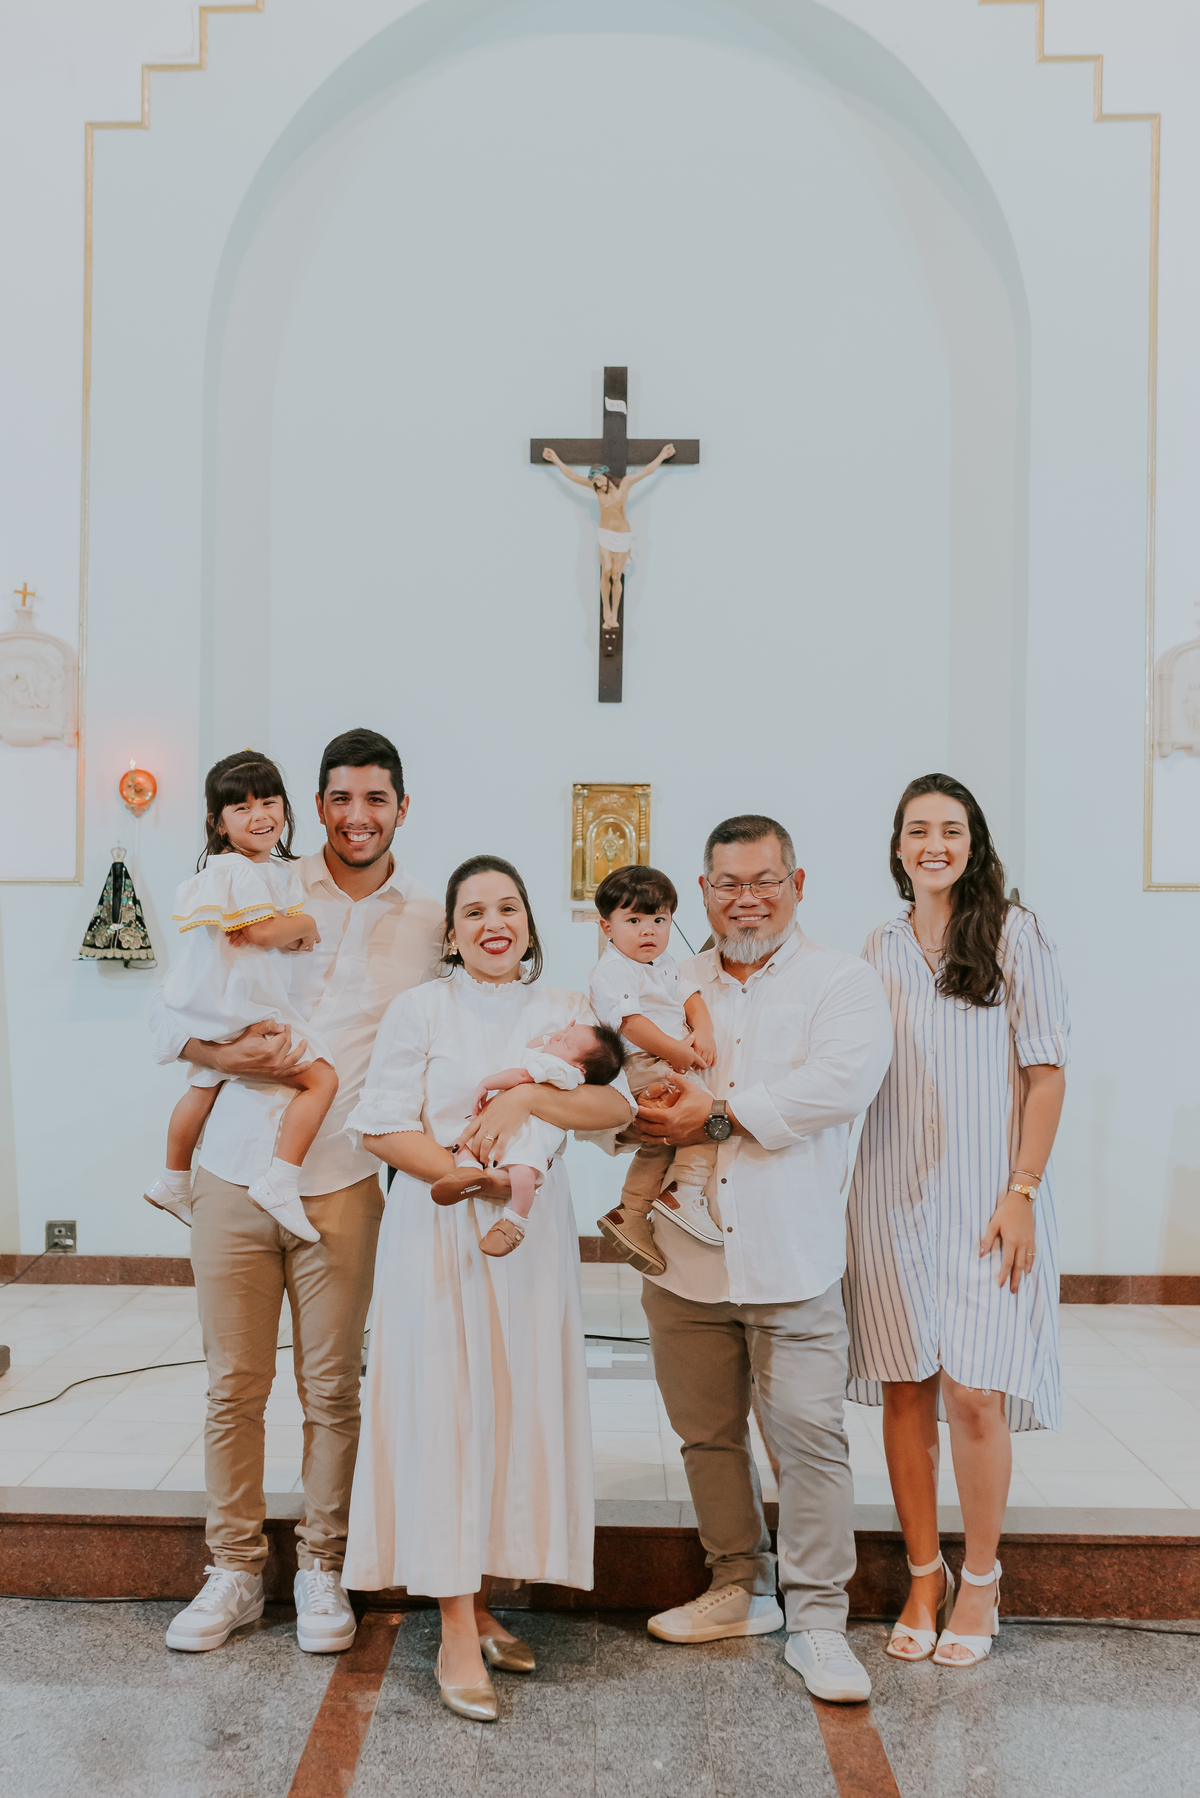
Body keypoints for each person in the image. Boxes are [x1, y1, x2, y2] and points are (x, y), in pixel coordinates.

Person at [150, 730, 444, 1658]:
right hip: (236, 1171)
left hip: (346, 1181)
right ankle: (234, 1570)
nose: (358, 816)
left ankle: (321, 1565)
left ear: (403, 807)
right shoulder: (265, 883)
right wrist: (221, 1053)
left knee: (332, 1389)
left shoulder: (431, 920)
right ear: (315, 807)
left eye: (378, 799)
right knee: (234, 1387)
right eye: (341, 799)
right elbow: (174, 1018)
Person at [342, 856, 632, 1722]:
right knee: (446, 1417)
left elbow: (614, 1111)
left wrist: (528, 1108)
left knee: (509, 1417)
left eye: (509, 907)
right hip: (437, 1231)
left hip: (529, 1243)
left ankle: (480, 1596)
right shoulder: (420, 1009)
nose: (492, 922)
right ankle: (457, 1630)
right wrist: (471, 1173)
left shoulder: (564, 1010)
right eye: (474, 911)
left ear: (531, 926)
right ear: (454, 933)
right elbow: (383, 1127)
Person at [630, 815, 893, 1703]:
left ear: (798, 884)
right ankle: (738, 1586)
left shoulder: (841, 982)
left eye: (764, 881)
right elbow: (625, 1082)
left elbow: (838, 1085)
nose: (746, 900)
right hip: (683, 1261)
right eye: (728, 883)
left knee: (810, 1440)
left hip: (793, 1257)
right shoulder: (667, 982)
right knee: (706, 1435)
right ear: (701, 889)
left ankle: (818, 1619)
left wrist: (713, 1114)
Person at [844, 773, 1068, 1669]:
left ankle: (982, 1579)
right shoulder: (878, 947)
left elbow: (1046, 1072)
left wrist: (1022, 1190)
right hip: (892, 1196)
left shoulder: (1014, 934)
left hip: (987, 1200)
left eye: (950, 828)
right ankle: (923, 1574)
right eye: (917, 830)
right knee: (906, 1386)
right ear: (896, 847)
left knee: (975, 1392)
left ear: (973, 842)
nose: (934, 843)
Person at [145, 752, 337, 1244]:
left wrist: (287, 931)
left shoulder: (263, 870)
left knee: (203, 1086)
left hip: (218, 1000)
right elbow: (263, 934)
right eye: (242, 808)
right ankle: (281, 1179)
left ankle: (171, 1179)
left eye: (269, 802)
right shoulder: (237, 871)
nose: (260, 816)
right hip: (234, 1001)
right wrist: (307, 924)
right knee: (322, 1080)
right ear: (218, 822)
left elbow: (274, 934)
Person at [590, 864, 720, 1274]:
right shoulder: (613, 969)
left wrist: (703, 1029)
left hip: (668, 1055)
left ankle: (631, 1211)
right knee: (705, 1117)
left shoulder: (664, 962)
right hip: (645, 1061)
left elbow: (690, 996)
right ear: (606, 927)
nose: (649, 931)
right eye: (634, 920)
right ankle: (686, 1190)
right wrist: (676, 1053)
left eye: (659, 920)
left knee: (660, 1141)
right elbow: (631, 1024)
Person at [429, 1018, 626, 1255]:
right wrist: (565, 1036)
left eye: (566, 1042)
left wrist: (487, 1083)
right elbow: (535, 1044)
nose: (557, 1036)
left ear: (581, 1068)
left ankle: (516, 1220)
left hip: (529, 1134)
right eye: (563, 1031)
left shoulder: (561, 1070)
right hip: (509, 1128)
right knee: (464, 1141)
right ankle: (470, 1172)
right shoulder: (554, 1058)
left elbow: (520, 1076)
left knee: (521, 1171)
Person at [541, 442, 676, 633]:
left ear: (605, 475)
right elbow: (571, 476)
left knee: (616, 575)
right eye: (594, 482)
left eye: (598, 479)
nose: (596, 484)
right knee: (606, 572)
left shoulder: (625, 485)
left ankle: (614, 611)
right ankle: (607, 611)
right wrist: (555, 459)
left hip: (622, 535)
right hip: (605, 534)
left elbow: (647, 471)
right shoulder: (596, 489)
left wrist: (662, 455)